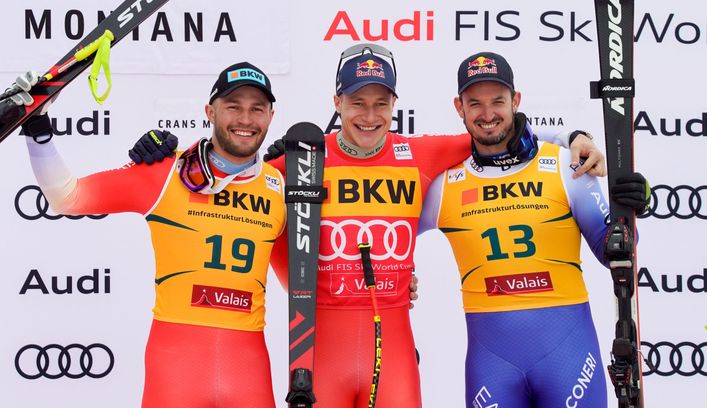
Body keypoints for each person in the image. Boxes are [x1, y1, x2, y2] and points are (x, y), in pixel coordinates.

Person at [128, 44, 608, 407]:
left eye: (381, 102)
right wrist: (169, 155)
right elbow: (231, 167)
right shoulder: (301, 162)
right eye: (358, 102)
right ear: (337, 102)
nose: (370, 115)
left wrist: (572, 136)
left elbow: (494, 132)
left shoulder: (419, 154)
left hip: (392, 350)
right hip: (323, 352)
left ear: (394, 103)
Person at [15, 62, 286, 407]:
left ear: (270, 116)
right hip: (176, 366)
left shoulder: (281, 185)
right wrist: (38, 131)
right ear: (210, 111)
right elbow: (67, 197)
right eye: (233, 106)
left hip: (248, 366)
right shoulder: (167, 172)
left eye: (257, 109)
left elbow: (301, 285)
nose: (245, 119)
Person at [418, 51, 650, 408]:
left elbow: (614, 253)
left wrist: (631, 208)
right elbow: (391, 231)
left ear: (516, 100)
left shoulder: (565, 164)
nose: (487, 113)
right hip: (492, 368)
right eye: (475, 103)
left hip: (569, 359)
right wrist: (394, 276)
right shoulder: (445, 184)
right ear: (459, 107)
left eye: (498, 101)